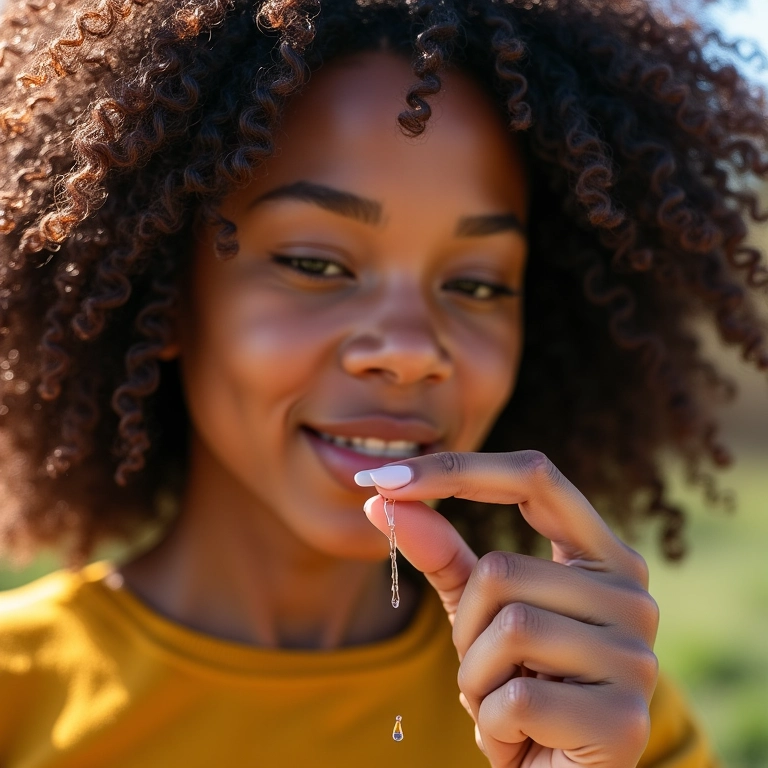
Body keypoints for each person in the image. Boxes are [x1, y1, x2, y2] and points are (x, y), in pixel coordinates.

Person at [0, 0, 764, 765]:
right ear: (160, 293)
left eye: (477, 284)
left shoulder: (588, 708)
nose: (409, 351)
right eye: (315, 264)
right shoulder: (17, 697)